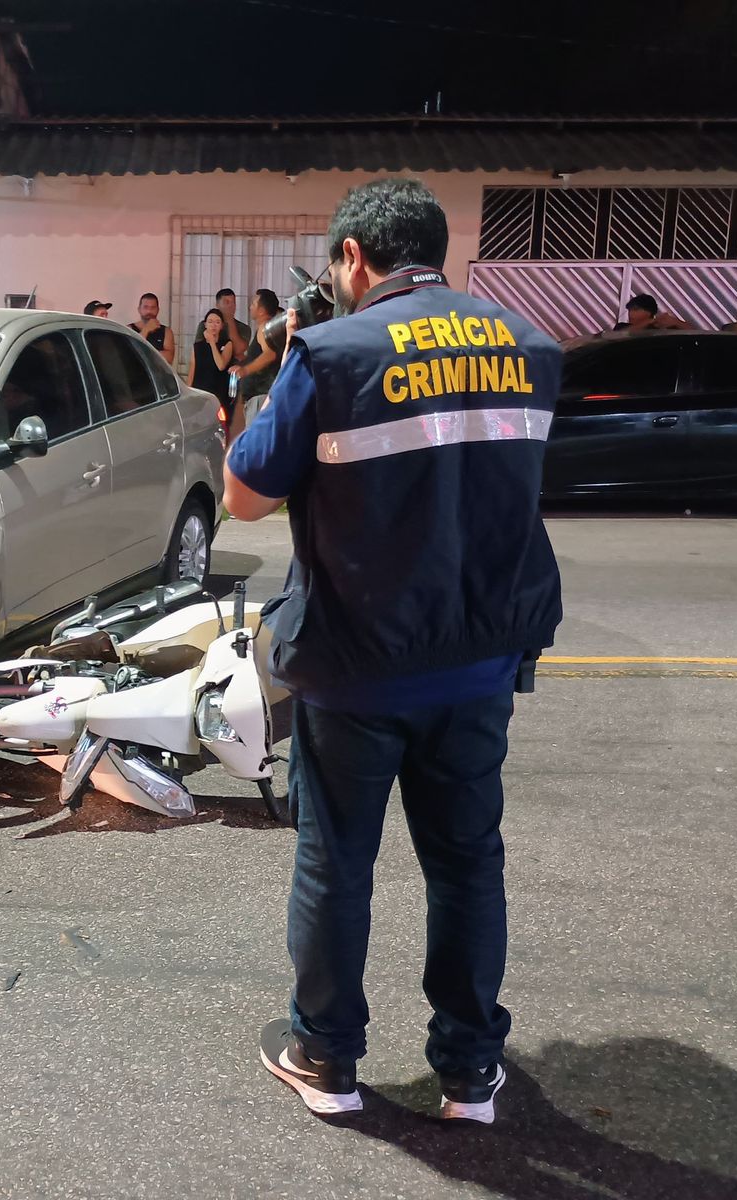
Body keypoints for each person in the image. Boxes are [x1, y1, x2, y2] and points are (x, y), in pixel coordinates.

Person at [225, 178, 563, 1125]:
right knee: (467, 862)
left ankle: (325, 1060)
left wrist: (288, 362)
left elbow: (245, 496)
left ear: (354, 259)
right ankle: (469, 1076)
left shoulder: (331, 352)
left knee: (338, 862)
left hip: (358, 662)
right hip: (481, 659)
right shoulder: (533, 348)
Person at [228, 289, 283, 442]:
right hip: (260, 396)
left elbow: (269, 354)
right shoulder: (268, 329)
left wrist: (245, 370)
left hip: (261, 395)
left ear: (262, 310)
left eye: (253, 303)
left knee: (256, 442)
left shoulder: (264, 328)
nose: (250, 307)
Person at [186, 308, 234, 401]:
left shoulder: (227, 344)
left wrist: (212, 342)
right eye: (210, 322)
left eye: (217, 322)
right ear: (205, 325)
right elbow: (192, 372)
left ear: (222, 326)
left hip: (218, 392)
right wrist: (188, 392)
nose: (213, 325)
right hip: (199, 391)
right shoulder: (197, 346)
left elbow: (221, 365)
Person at [129, 292, 176, 365]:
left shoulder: (166, 332)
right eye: (145, 307)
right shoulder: (129, 329)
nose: (149, 311)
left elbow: (168, 359)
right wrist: (146, 330)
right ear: (139, 309)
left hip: (158, 375)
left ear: (158, 310)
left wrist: (142, 352)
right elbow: (130, 356)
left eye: (153, 308)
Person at [611, 293, 692, 333]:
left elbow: (692, 332)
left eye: (636, 309)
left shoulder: (660, 328)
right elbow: (623, 334)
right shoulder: (621, 326)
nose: (631, 314)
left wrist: (675, 321)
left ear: (648, 312)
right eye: (629, 310)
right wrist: (650, 321)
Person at [214, 288, 251, 359]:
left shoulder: (244, 328)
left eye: (233, 302)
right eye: (227, 302)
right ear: (217, 305)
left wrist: (229, 319)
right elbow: (199, 350)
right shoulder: (206, 325)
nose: (231, 306)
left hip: (234, 368)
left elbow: (238, 350)